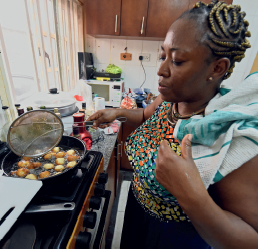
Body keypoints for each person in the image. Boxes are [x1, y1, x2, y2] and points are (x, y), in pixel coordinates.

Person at [87, 1, 258, 248]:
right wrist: (117, 113)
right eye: (162, 56)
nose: (161, 70)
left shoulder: (227, 134)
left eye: (177, 61)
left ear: (217, 68)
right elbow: (145, 115)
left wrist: (190, 193)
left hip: (177, 239)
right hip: (138, 216)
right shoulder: (170, 100)